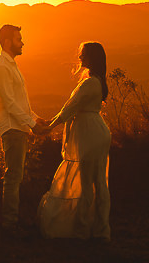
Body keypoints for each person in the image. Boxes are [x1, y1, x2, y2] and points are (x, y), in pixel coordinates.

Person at [36, 41, 111, 240]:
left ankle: (83, 229)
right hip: (97, 131)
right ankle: (101, 229)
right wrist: (52, 122)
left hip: (90, 133)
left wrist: (50, 126)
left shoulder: (89, 83)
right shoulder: (97, 81)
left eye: (84, 55)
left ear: (92, 58)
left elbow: (70, 108)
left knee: (88, 184)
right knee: (99, 183)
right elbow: (71, 107)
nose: (80, 58)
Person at [0, 24, 45, 233]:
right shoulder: (1, 67)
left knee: (16, 176)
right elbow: (10, 104)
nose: (22, 42)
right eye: (18, 39)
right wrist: (32, 125)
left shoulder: (10, 65)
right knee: (13, 177)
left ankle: (13, 221)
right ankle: (9, 225)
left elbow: (19, 103)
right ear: (7, 42)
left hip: (18, 127)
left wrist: (36, 119)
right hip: (12, 129)